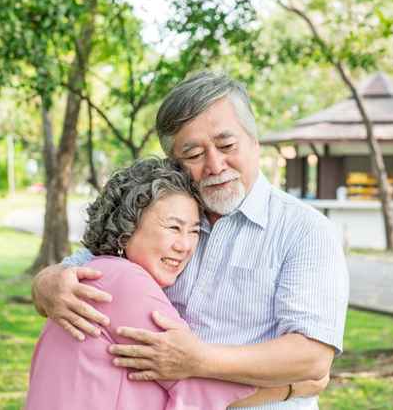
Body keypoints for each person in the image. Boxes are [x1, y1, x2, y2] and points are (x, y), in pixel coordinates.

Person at [32, 71, 350, 409]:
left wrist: (199, 359)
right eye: (194, 154)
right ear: (175, 163)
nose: (215, 165)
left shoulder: (305, 230)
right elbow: (72, 275)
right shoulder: (159, 216)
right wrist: (46, 284)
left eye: (227, 145)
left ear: (255, 143)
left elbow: (311, 357)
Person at [26, 158, 327, 409]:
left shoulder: (92, 274)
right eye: (173, 228)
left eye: (194, 231)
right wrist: (296, 386)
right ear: (127, 227)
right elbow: (197, 388)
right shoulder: (126, 283)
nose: (185, 246)